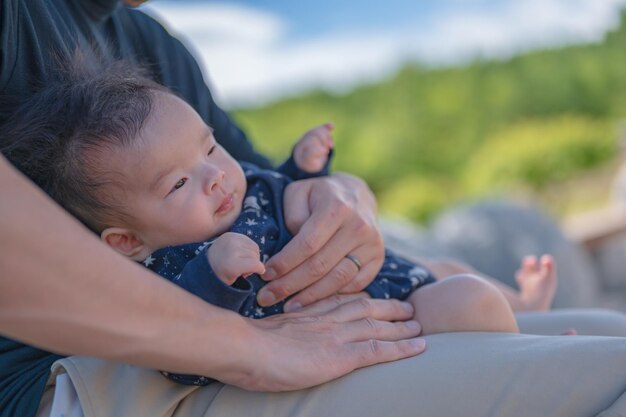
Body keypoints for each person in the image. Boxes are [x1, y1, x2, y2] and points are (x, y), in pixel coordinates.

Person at [2, 1, 626, 417]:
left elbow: (262, 180)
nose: (214, 177)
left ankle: (518, 326)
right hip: (87, 374)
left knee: (603, 336)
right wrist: (244, 341)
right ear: (123, 241)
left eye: (209, 151)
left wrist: (337, 192)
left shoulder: (143, 41)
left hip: (304, 326)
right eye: (177, 184)